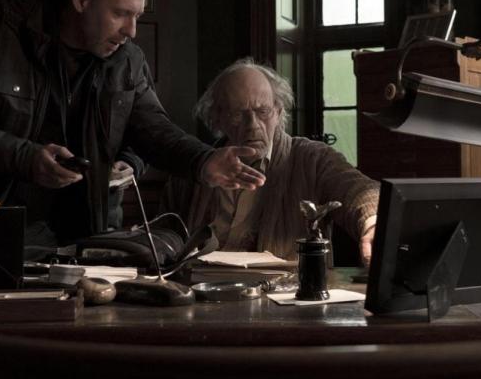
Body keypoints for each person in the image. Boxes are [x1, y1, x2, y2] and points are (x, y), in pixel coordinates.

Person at [0, 0, 264, 252]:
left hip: (84, 237)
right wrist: (26, 158)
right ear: (82, 0)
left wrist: (203, 160)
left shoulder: (127, 58)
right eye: (121, 14)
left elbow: (153, 130)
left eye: (137, 16)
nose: (131, 31)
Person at [161, 59, 379, 264]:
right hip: (203, 295)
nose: (252, 125)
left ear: (278, 112)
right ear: (217, 118)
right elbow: (164, 233)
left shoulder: (312, 159)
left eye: (262, 111)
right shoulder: (195, 168)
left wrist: (372, 222)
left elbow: (359, 190)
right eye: (238, 114)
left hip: (282, 295)